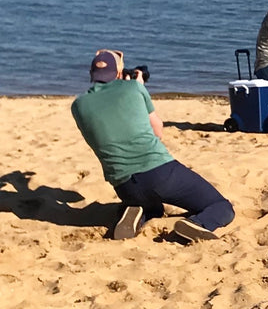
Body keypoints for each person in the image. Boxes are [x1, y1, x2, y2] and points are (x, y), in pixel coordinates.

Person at [71, 49, 234, 242]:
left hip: (124, 184)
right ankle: (197, 224)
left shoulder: (79, 105)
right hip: (159, 172)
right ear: (118, 73)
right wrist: (138, 86)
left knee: (154, 208)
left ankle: (138, 214)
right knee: (221, 207)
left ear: (92, 74)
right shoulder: (133, 88)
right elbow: (158, 131)